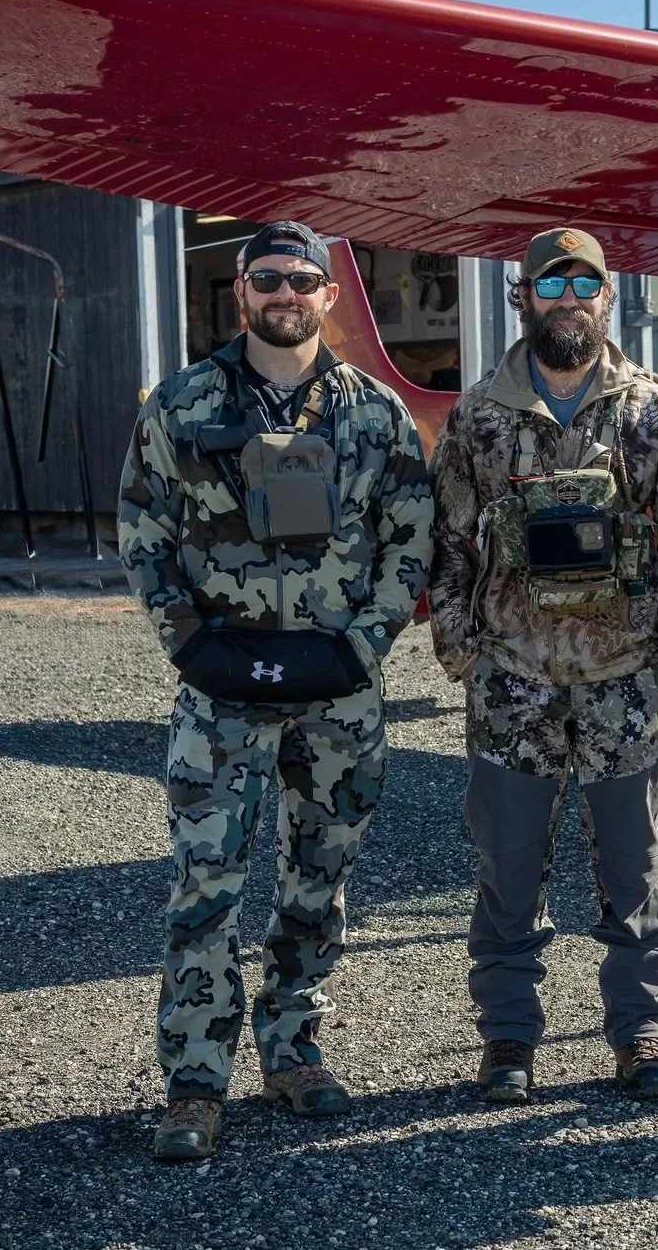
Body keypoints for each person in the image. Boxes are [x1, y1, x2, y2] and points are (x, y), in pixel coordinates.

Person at [117, 220, 434, 1163]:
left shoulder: (374, 412)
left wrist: (367, 642)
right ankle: (194, 1081)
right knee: (206, 886)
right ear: (241, 290)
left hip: (338, 691)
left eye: (302, 279)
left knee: (319, 881)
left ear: (328, 294)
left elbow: (410, 535)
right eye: (267, 280)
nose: (285, 294)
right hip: (223, 690)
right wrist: (187, 642)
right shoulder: (185, 404)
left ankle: (293, 1047)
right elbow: (142, 527)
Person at [427, 227, 658, 1104]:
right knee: (509, 875)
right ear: (523, 297)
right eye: (550, 281)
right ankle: (509, 1041)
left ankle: (642, 1036)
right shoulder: (479, 416)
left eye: (584, 281)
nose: (568, 296)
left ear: (606, 298)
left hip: (625, 683)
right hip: (511, 682)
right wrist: (461, 651)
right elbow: (444, 544)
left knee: (635, 873)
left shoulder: (650, 415)